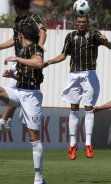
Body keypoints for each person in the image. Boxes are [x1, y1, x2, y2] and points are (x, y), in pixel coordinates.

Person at [44, 15, 111, 160]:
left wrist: (106, 42)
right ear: (75, 23)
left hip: (89, 74)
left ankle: (88, 144)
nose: (81, 24)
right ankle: (72, 144)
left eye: (84, 22)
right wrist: (49, 61)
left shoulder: (94, 33)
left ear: (87, 23)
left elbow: (110, 46)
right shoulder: (70, 36)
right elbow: (63, 55)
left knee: (89, 108)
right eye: (79, 22)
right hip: (73, 75)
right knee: (74, 108)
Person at [1, 24, 45, 184]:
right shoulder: (22, 51)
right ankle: (3, 122)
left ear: (21, 36)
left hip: (31, 96)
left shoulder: (36, 48)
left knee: (34, 137)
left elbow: (38, 63)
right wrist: (12, 75)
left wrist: (16, 59)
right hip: (18, 90)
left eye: (18, 35)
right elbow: (25, 75)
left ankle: (39, 179)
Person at [0, 0, 46, 132]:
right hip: (18, 60)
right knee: (14, 89)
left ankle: (4, 121)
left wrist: (40, 45)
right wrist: (1, 46)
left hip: (30, 59)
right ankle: (6, 120)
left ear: (16, 6)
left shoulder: (34, 17)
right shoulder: (17, 21)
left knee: (14, 88)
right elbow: (15, 40)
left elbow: (43, 32)